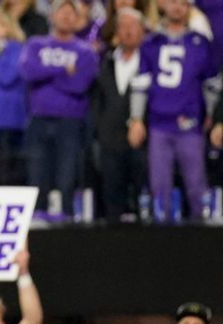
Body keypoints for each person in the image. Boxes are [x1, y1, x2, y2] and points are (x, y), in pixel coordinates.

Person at [128, 0, 216, 221]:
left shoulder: (200, 42)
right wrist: (137, 118)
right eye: (173, 1)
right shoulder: (151, 43)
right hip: (159, 122)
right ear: (162, 5)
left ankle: (203, 242)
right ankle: (161, 246)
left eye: (183, 3)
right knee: (160, 189)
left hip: (190, 123)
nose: (177, 7)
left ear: (189, 8)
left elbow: (211, 82)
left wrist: (211, 114)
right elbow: (141, 83)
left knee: (196, 186)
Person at [20, 0, 98, 217]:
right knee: (37, 179)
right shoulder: (35, 44)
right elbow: (28, 72)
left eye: (71, 14)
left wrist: (47, 74)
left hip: (70, 123)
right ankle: (38, 225)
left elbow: (80, 85)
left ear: (78, 19)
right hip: (38, 120)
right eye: (61, 12)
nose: (66, 17)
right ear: (51, 16)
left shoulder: (85, 51)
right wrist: (63, 69)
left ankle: (68, 227)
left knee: (67, 180)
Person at [94, 8, 146, 221]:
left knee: (142, 198)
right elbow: (97, 101)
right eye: (122, 26)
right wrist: (100, 131)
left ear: (143, 31)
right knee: (112, 198)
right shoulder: (105, 62)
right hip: (110, 140)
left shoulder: (150, 63)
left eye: (132, 26)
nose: (127, 31)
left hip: (143, 140)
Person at [0, 7, 29, 186]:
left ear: (6, 27)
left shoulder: (18, 49)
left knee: (6, 168)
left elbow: (7, 76)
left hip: (8, 119)